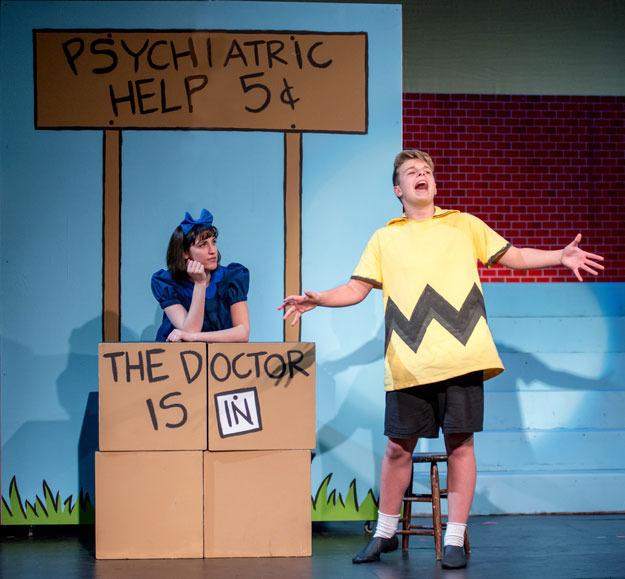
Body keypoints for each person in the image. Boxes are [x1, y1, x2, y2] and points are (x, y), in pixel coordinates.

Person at [280, 150, 604, 569]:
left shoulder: (463, 224)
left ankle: (453, 538)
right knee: (397, 449)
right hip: (409, 362)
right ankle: (384, 533)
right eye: (412, 172)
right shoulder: (385, 237)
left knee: (460, 446)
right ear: (398, 189)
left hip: (462, 357)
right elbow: (356, 288)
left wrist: (559, 256)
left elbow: (515, 256)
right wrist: (320, 299)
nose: (422, 175)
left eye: (427, 171)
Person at [151, 208, 250, 343]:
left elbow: (243, 333)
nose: (212, 250)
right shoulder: (168, 283)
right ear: (185, 253)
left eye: (213, 242)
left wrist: (196, 337)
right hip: (178, 354)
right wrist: (200, 284)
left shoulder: (231, 277)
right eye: (203, 245)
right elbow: (190, 330)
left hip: (219, 353)